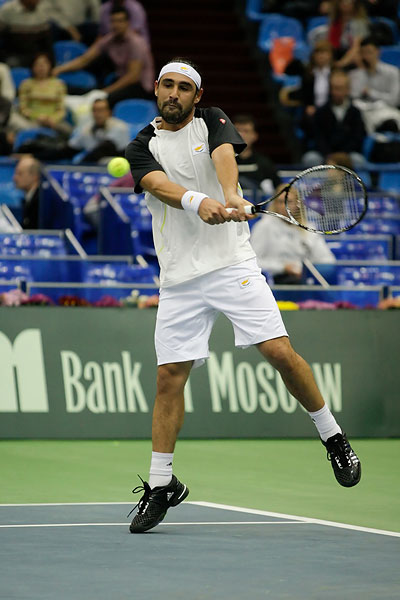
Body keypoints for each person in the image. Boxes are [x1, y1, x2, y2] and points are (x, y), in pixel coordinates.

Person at [125, 57, 361, 534]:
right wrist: (199, 202)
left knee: (280, 352)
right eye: (167, 85)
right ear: (156, 89)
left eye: (184, 87)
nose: (174, 93)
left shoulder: (213, 120)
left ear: (197, 95)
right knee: (169, 378)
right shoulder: (141, 145)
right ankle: (162, 484)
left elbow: (222, 157)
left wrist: (230, 195)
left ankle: (333, 436)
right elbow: (157, 185)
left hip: (232, 265)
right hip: (179, 278)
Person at [53, 6, 154, 108]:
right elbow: (85, 59)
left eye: (120, 21)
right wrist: (59, 69)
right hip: (119, 81)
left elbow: (133, 76)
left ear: (127, 23)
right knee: (88, 91)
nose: (116, 25)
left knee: (101, 99)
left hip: (140, 87)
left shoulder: (136, 43)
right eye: (113, 21)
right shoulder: (109, 39)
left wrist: (106, 91)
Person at [250, 184, 336, 284]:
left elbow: (327, 260)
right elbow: (253, 262)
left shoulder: (308, 228)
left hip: (305, 280)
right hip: (275, 280)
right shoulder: (264, 226)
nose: (284, 206)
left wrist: (307, 271)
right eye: (280, 202)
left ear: (297, 204)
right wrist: (283, 267)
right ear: (275, 204)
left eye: (289, 201)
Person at [18, 98, 130, 163]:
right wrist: (34, 157)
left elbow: (104, 150)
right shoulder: (86, 130)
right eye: (95, 110)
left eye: (101, 110)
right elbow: (66, 151)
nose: (98, 114)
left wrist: (80, 166)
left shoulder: (119, 127)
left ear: (109, 112)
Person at [302, 69, 366, 167]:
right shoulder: (321, 112)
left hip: (347, 154)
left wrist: (343, 154)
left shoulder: (355, 112)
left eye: (340, 88)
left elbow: (357, 137)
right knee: (310, 158)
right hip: (325, 154)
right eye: (334, 88)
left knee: (358, 160)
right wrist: (329, 155)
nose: (336, 92)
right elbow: (318, 137)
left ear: (347, 90)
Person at [11, 53, 71, 136]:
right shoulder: (26, 84)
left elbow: (61, 109)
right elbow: (23, 108)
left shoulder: (59, 84)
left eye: (44, 64)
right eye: (38, 64)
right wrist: (37, 117)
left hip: (53, 121)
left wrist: (51, 119)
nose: (41, 67)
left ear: (50, 65)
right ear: (32, 67)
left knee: (69, 131)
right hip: (31, 120)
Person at [349, 36, 400, 134]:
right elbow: (353, 99)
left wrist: (371, 93)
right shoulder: (355, 74)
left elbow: (394, 101)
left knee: (395, 121)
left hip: (386, 111)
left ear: (378, 52)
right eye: (363, 53)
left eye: (369, 52)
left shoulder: (392, 72)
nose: (366, 56)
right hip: (362, 113)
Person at [232, 114, 280, 196]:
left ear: (255, 136)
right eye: (237, 131)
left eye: (246, 131)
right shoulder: (222, 161)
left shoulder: (264, 163)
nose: (241, 135)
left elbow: (278, 188)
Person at [328, 0, 369, 69]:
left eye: (348, 2)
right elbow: (329, 43)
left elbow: (356, 47)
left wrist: (341, 63)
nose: (345, 4)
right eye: (342, 1)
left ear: (355, 5)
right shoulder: (335, 21)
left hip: (352, 54)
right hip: (336, 52)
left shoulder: (359, 23)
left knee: (356, 57)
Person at [13, 156, 41, 229]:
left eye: (20, 173)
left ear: (34, 176)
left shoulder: (41, 202)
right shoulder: (30, 198)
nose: (14, 178)